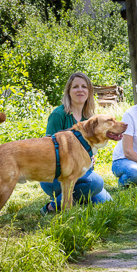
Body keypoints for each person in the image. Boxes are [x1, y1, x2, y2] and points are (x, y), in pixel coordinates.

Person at [39, 72, 111, 215]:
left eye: (84, 87)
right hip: (55, 176)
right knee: (95, 183)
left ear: (89, 91)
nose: (80, 90)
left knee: (105, 201)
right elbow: (46, 151)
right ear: (69, 91)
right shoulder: (58, 115)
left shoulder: (89, 118)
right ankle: (52, 206)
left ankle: (73, 198)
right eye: (75, 87)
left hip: (81, 173)